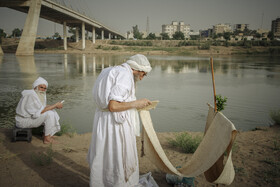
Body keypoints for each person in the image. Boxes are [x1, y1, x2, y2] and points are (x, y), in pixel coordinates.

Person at [87, 54, 152, 187]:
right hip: (115, 125)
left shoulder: (109, 70)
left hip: (102, 120)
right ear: (138, 70)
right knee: (117, 156)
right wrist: (136, 103)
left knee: (104, 155)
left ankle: (103, 183)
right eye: (143, 75)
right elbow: (113, 106)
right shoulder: (125, 76)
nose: (142, 78)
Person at [15, 77, 63, 144]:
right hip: (23, 121)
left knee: (52, 111)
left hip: (29, 118)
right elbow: (37, 113)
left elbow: (41, 107)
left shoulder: (38, 94)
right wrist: (55, 105)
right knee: (49, 114)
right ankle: (47, 139)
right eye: (41, 87)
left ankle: (47, 134)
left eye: (44, 88)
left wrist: (54, 106)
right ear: (35, 87)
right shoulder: (31, 95)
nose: (43, 90)